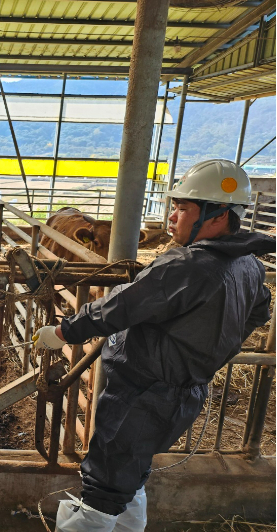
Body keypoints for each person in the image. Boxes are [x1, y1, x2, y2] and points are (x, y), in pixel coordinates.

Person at [33, 159, 274, 532]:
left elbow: (122, 306)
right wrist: (217, 344)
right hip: (183, 393)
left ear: (218, 215)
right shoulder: (248, 264)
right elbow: (259, 311)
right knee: (131, 473)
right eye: (173, 206)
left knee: (104, 487)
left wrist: (64, 332)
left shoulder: (189, 264)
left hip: (143, 394)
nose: (172, 218)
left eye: (182, 208)